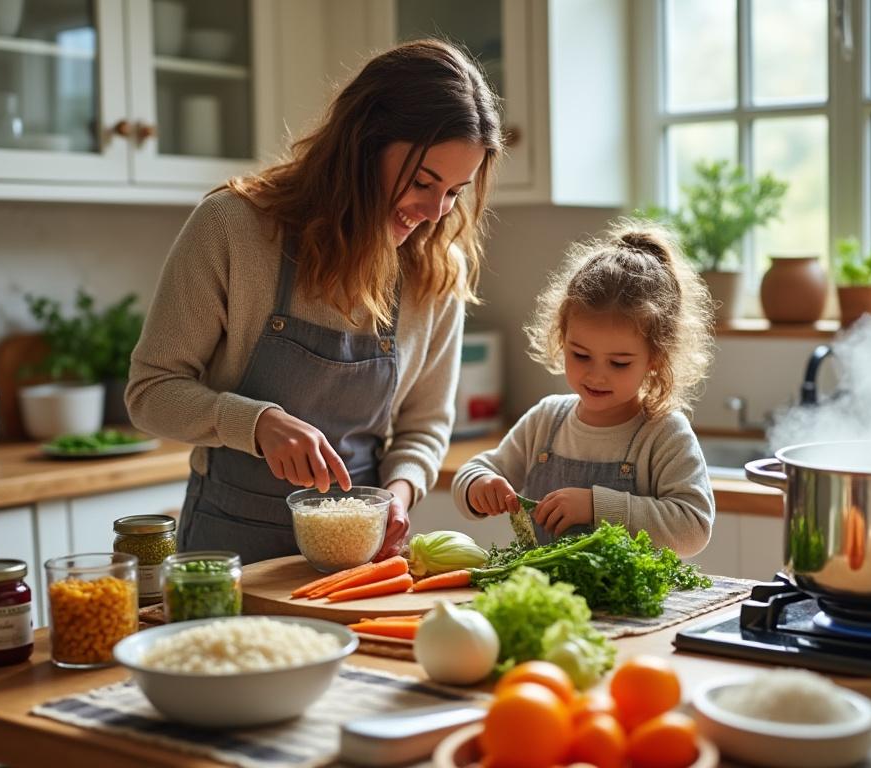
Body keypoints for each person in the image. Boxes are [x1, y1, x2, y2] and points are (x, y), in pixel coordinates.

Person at [126, 40, 504, 566]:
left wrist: (398, 495)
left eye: (455, 191)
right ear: (363, 145)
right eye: (423, 182)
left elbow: (424, 426)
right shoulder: (232, 226)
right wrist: (256, 423)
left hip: (357, 557)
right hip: (229, 552)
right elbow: (150, 392)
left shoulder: (435, 269)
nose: (435, 211)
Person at [451, 222, 716, 557]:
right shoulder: (546, 420)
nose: (596, 375)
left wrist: (597, 507)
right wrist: (479, 485)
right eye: (580, 355)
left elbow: (694, 527)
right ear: (562, 338)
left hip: (628, 594)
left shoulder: (663, 433)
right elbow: (474, 472)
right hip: (545, 588)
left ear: (656, 358)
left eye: (618, 363)